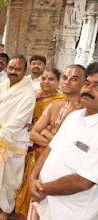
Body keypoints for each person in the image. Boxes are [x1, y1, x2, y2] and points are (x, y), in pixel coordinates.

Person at [29, 63, 98, 220]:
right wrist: (32, 178)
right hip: (46, 206)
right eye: (88, 83)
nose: (88, 89)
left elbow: (83, 181)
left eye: (97, 86)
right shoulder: (74, 117)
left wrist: (41, 189)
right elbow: (50, 149)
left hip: (72, 213)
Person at [0, 55, 36, 220]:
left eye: (18, 69)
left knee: (11, 177)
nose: (13, 71)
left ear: (24, 71)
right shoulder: (5, 84)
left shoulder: (28, 93)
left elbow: (19, 120)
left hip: (13, 141)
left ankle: (7, 208)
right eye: (11, 68)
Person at [14, 67, 66, 219]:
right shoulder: (33, 96)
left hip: (50, 152)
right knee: (25, 181)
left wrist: (42, 132)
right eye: (43, 78)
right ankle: (22, 212)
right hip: (30, 145)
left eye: (51, 79)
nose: (46, 82)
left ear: (58, 82)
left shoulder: (62, 102)